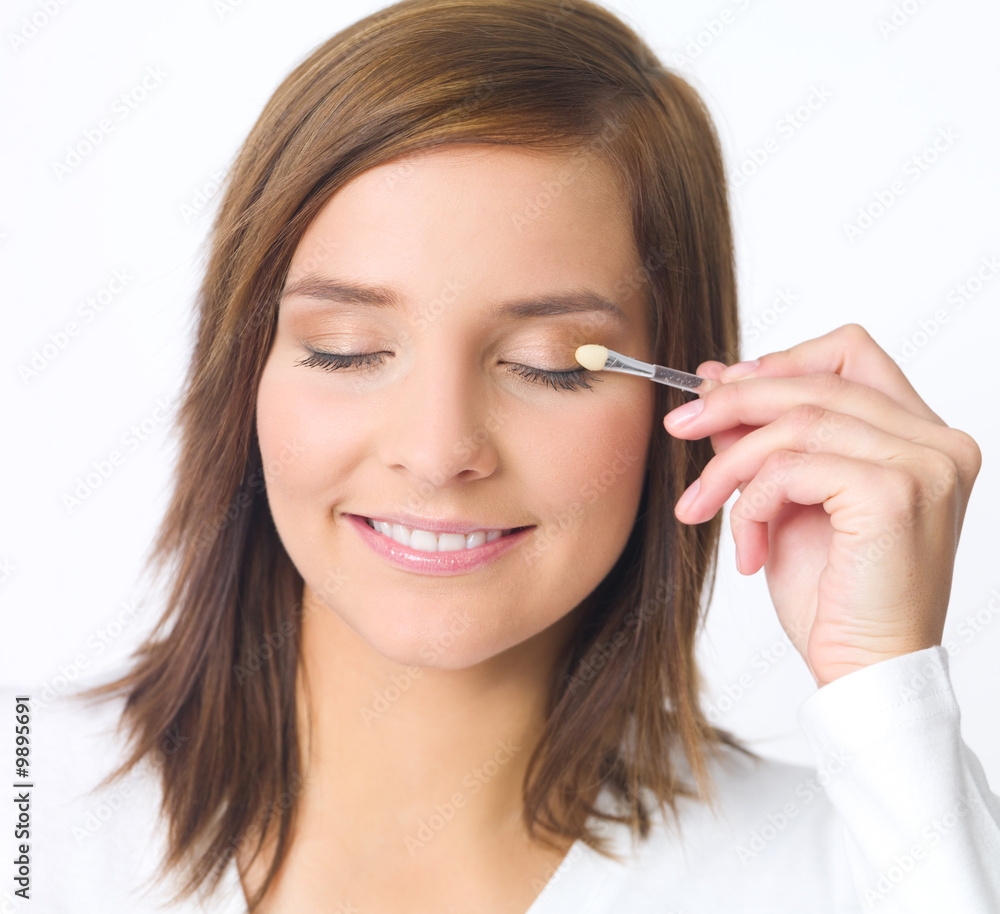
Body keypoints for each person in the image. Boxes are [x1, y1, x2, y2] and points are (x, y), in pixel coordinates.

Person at [13, 0, 999, 911]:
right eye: (347, 349)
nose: (439, 451)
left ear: (697, 406)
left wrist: (883, 684)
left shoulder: (842, 870)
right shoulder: (28, 800)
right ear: (247, 374)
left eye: (545, 367)